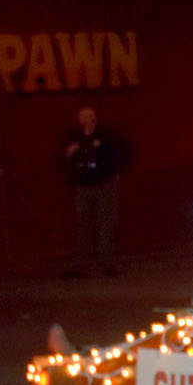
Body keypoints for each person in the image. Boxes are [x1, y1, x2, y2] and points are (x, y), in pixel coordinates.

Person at [61, 106, 130, 278]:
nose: (88, 119)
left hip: (103, 184)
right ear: (79, 119)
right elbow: (59, 158)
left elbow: (122, 152)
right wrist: (69, 154)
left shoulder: (106, 135)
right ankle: (81, 265)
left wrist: (115, 172)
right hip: (82, 186)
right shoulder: (73, 137)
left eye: (91, 115)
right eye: (84, 116)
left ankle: (108, 264)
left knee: (106, 224)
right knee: (83, 225)